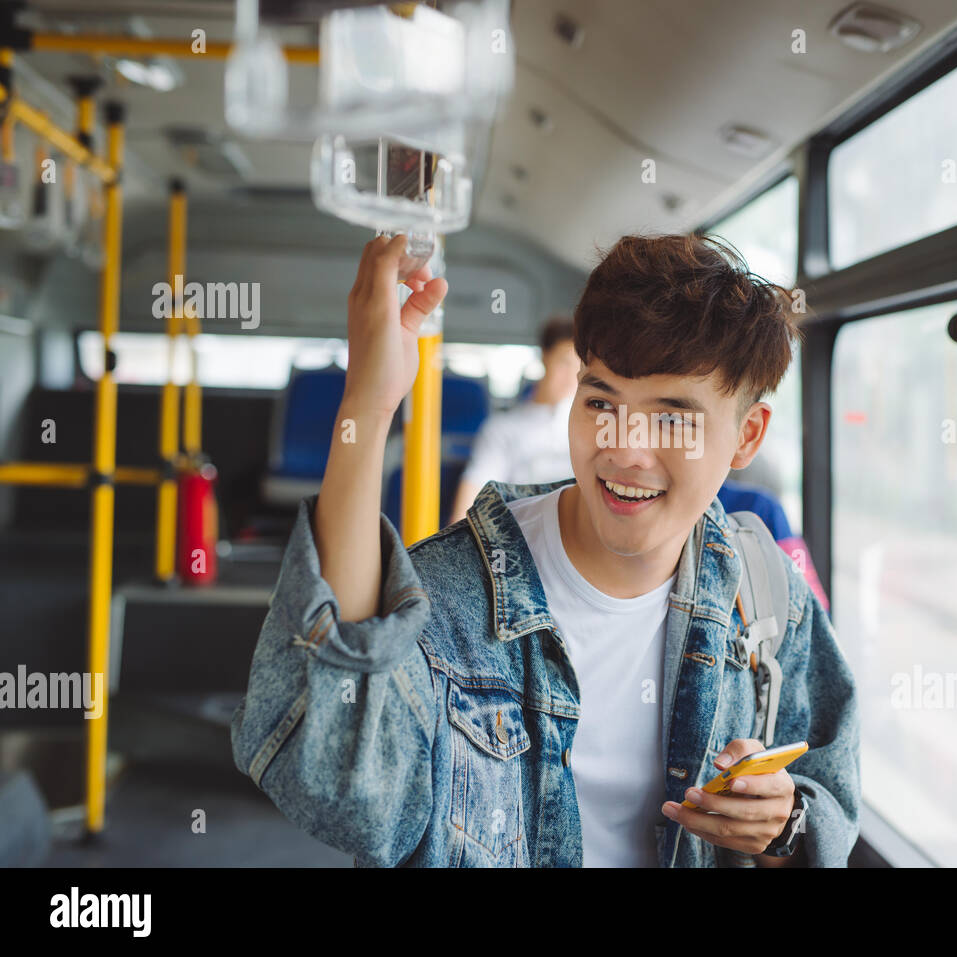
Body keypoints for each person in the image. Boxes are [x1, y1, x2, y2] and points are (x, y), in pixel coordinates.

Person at [231, 233, 860, 867]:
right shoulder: (451, 595)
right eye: (600, 401)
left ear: (746, 436)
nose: (625, 450)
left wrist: (782, 829)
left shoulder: (766, 597)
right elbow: (335, 785)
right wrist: (368, 399)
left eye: (672, 418)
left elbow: (827, 804)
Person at [448, 316, 579, 524]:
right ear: (545, 358)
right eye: (564, 362)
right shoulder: (503, 429)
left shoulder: (590, 428)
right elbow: (471, 499)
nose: (572, 375)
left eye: (580, 366)